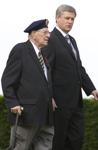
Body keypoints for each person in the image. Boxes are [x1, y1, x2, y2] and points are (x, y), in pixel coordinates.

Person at [41, 5, 98, 150]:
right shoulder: (50, 39)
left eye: (72, 19)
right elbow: (45, 70)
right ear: (57, 18)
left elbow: (78, 68)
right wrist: (49, 96)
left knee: (76, 140)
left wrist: (91, 89)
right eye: (67, 18)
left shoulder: (72, 40)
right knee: (58, 141)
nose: (70, 22)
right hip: (59, 102)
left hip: (76, 102)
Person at [1, 19, 57, 150]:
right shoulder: (20, 49)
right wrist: (13, 102)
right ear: (33, 33)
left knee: (45, 147)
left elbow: (45, 82)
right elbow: (7, 80)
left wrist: (50, 98)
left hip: (46, 114)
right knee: (20, 147)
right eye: (45, 32)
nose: (48, 35)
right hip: (27, 114)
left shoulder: (43, 55)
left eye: (48, 33)